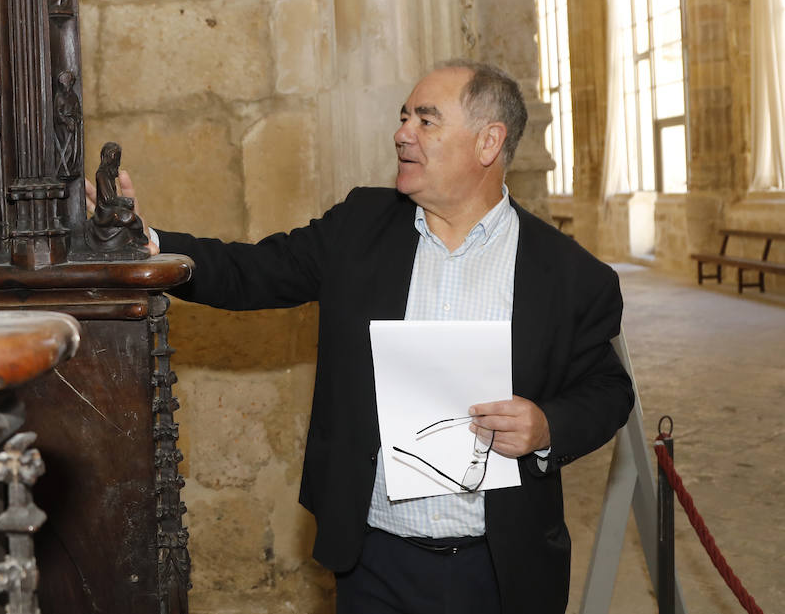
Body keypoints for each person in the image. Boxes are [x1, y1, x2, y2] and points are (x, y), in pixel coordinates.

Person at [99, 61, 633, 614]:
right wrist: (147, 243)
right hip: (376, 562)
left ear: (487, 142)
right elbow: (249, 271)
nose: (403, 132)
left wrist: (546, 426)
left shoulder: (571, 276)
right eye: (405, 118)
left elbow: (609, 391)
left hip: (499, 569)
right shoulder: (360, 226)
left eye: (427, 121)